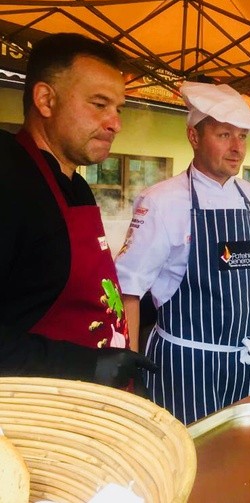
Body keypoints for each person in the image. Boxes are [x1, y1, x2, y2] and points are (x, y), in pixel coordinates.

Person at [115, 81, 250, 425]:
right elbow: (129, 289)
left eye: (242, 136)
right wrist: (130, 363)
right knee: (189, 463)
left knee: (243, 453)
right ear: (194, 137)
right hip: (184, 367)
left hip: (244, 364)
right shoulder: (162, 201)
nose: (237, 148)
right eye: (224, 135)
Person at [0, 33, 156, 387]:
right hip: (33, 419)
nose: (115, 123)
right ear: (46, 99)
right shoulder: (8, 174)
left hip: (90, 409)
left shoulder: (78, 187)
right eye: (99, 104)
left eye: (118, 109)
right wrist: (83, 365)